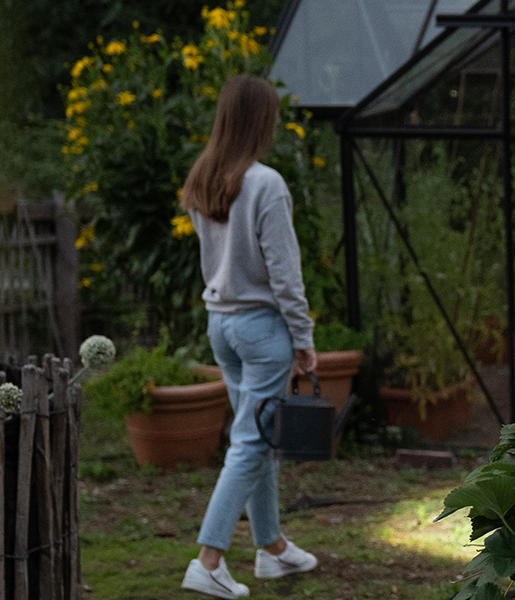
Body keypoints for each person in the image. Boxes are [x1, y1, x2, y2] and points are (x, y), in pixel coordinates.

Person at [178, 74, 321, 598]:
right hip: (262, 332)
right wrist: (303, 340)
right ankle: (209, 560)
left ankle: (272, 549)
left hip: (222, 327)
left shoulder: (203, 178)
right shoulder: (266, 184)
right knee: (250, 443)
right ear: (262, 121)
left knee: (258, 438)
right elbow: (285, 275)